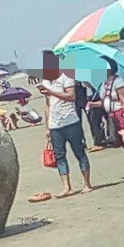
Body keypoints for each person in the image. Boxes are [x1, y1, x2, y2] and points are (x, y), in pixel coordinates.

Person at [38, 50, 92, 197]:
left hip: (71, 121)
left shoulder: (66, 76)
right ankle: (67, 187)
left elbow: (71, 96)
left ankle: (87, 183)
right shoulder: (45, 80)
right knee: (59, 156)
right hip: (55, 124)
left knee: (79, 152)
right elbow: (48, 105)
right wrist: (47, 127)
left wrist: (51, 92)